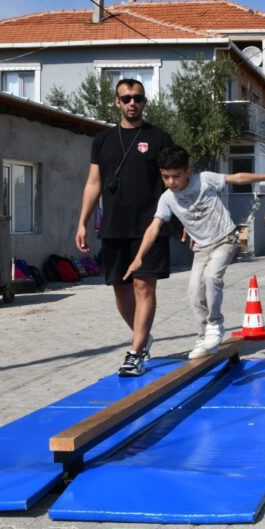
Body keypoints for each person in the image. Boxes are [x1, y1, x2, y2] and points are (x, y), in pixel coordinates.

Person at [124, 146, 265, 368]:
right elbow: (154, 226)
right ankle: (204, 337)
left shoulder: (204, 179)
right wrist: (139, 257)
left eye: (176, 176)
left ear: (188, 172)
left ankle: (215, 324)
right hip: (201, 248)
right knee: (193, 292)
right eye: (166, 177)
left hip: (226, 239)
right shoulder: (166, 199)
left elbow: (237, 178)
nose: (172, 182)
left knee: (211, 277)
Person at [76, 78, 174, 376]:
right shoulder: (102, 140)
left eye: (138, 98)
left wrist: (185, 220)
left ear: (145, 102)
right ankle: (141, 337)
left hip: (150, 228)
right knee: (120, 290)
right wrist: (81, 222)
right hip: (113, 227)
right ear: (117, 102)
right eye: (127, 98)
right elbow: (93, 184)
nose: (133, 103)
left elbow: (174, 182)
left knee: (144, 286)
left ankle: (135, 351)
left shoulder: (159, 138)